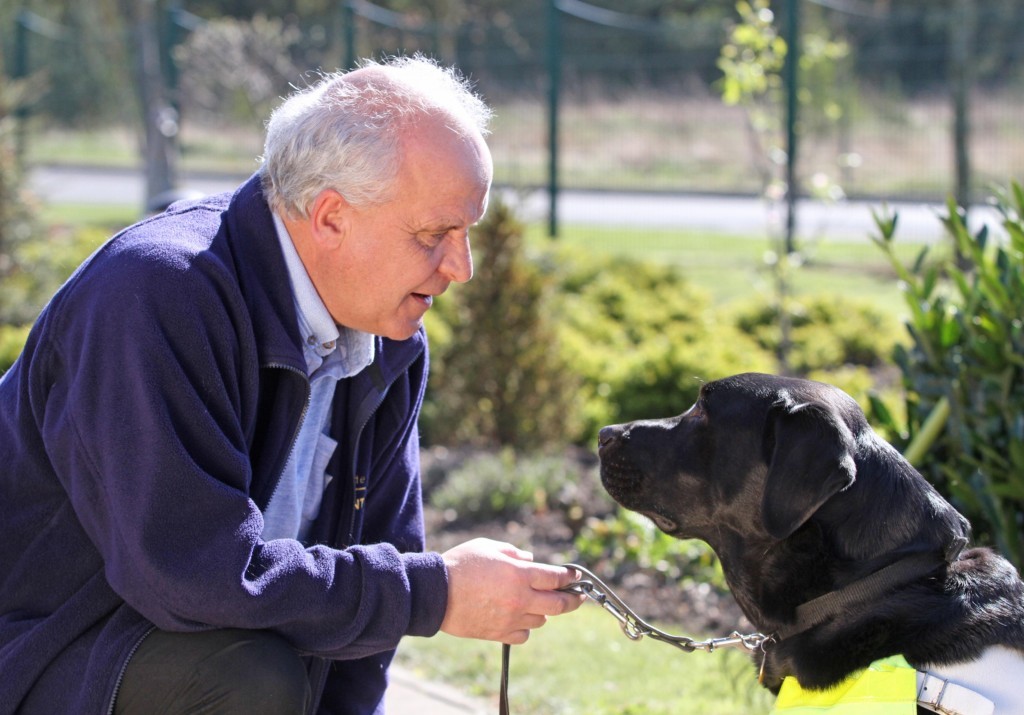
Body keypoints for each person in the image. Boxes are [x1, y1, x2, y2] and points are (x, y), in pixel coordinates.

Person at [0, 55, 583, 714]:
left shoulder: (389, 340)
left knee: (268, 668)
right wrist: (438, 592)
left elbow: (373, 590)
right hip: (39, 656)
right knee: (251, 677)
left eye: (466, 231)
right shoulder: (157, 295)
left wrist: (411, 599)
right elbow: (193, 575)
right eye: (433, 234)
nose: (462, 266)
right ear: (330, 216)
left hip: (182, 656)